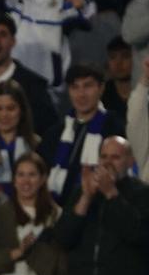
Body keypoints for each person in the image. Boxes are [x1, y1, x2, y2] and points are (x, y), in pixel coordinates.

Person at [56, 136, 149, 275]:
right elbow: (63, 238)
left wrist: (111, 194)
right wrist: (86, 198)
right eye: (103, 157)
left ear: (130, 161)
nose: (107, 163)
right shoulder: (81, 192)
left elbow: (138, 233)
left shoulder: (142, 194)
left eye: (115, 157)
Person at [38, 64, 124, 201]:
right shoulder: (54, 134)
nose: (81, 94)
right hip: (57, 210)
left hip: (100, 209)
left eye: (88, 86)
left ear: (101, 88)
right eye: (75, 87)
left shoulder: (115, 128)